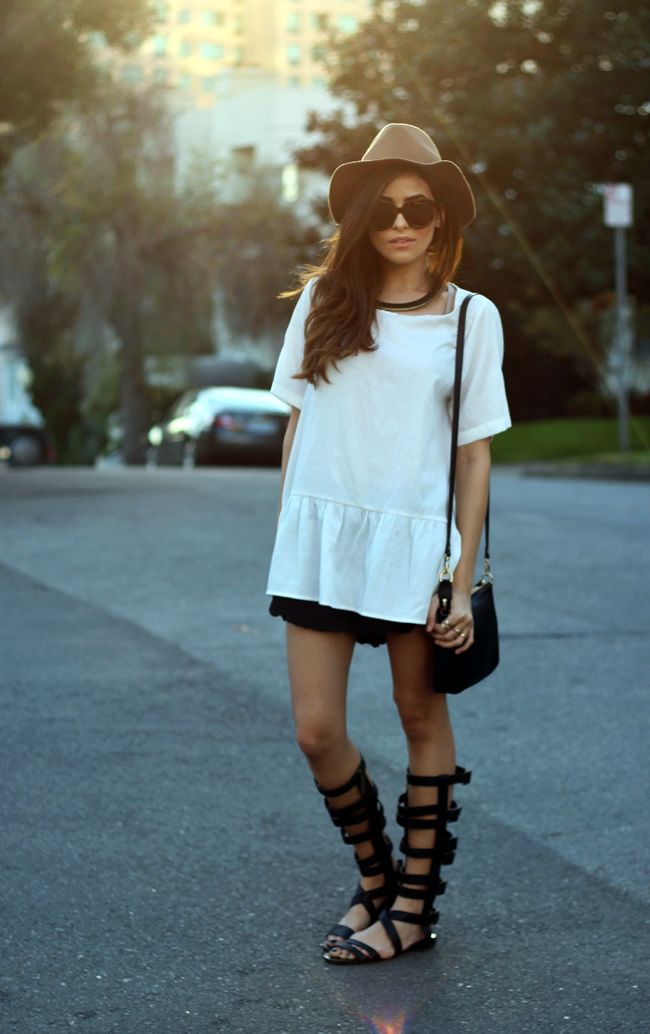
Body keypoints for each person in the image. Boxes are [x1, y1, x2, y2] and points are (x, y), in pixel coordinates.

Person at [265, 124, 512, 965]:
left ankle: (412, 909)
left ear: (442, 220)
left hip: (416, 547)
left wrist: (459, 579)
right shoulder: (321, 304)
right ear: (362, 218)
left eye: (419, 208)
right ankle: (378, 875)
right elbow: (297, 425)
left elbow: (474, 455)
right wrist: (289, 530)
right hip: (323, 539)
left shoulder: (471, 318)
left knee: (418, 713)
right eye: (384, 210)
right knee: (316, 730)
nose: (401, 223)